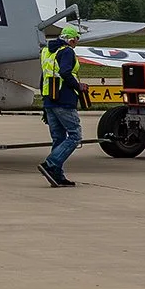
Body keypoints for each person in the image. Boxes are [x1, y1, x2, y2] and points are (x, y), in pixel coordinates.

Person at [38, 24, 86, 187]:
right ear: (71, 39)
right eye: (76, 40)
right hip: (64, 99)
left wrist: (45, 103)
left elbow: (44, 77)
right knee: (75, 136)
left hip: (50, 100)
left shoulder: (46, 51)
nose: (76, 43)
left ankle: (57, 176)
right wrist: (78, 86)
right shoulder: (66, 51)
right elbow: (65, 72)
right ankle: (51, 164)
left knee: (58, 139)